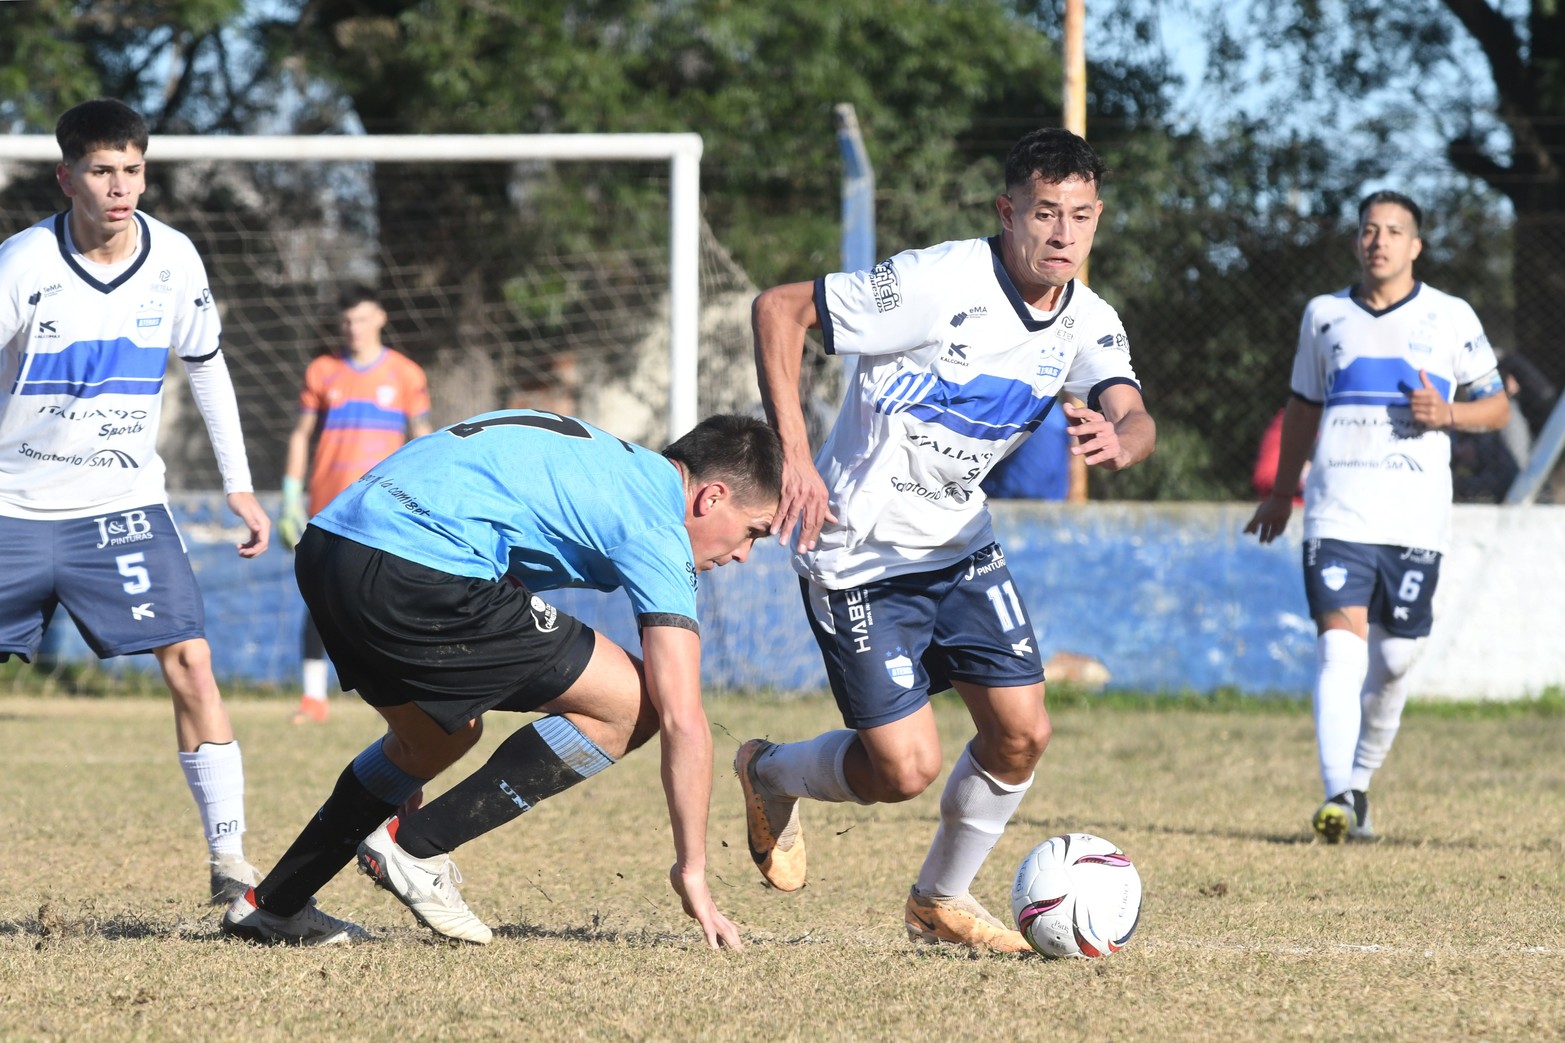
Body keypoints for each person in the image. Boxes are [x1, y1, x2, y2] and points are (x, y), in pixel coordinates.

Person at [741, 127, 1155, 953]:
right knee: (902, 770)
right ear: (1008, 212)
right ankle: (767, 772)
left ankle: (938, 898)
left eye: (1079, 216)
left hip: (960, 549)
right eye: (1044, 214)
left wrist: (1125, 438)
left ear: (1097, 218)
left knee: (1021, 732)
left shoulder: (1087, 318)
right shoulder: (937, 282)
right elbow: (778, 308)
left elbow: (1129, 408)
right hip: (856, 554)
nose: (1062, 234)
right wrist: (794, 453)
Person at [221, 409, 781, 947]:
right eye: (753, 531)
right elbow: (683, 716)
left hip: (330, 548)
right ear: (711, 498)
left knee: (435, 739)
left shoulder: (598, 456)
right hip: (417, 567)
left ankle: (273, 905)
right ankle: (416, 850)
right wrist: (694, 872)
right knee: (637, 705)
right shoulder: (655, 520)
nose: (744, 555)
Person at [0, 99, 270, 902]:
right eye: (101, 171)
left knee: (191, 661)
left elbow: (208, 367)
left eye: (132, 170)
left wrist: (240, 487)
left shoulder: (177, 259)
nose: (120, 187)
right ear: (67, 176)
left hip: (120, 504)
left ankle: (230, 865)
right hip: (11, 505)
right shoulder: (22, 263)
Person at [1244, 189, 1511, 843]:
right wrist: (1283, 491)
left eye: (1393, 230)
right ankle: (1338, 795)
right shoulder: (1324, 315)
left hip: (1415, 520)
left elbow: (1497, 406)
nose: (1379, 240)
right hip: (1336, 511)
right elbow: (1303, 406)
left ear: (1414, 245)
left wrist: (1447, 413)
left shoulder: (1450, 317)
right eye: (1368, 229)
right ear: (1356, 241)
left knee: (1393, 660)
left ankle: (1359, 782)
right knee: (1338, 649)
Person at [278, 284, 432, 724]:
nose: (353, 329)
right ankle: (313, 698)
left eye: (361, 319)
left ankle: (406, 693)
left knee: (394, 597)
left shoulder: (405, 374)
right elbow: (300, 435)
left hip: (386, 507)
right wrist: (291, 494)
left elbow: (423, 437)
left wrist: (425, 493)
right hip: (329, 507)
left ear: (380, 318)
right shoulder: (323, 371)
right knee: (320, 599)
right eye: (346, 321)